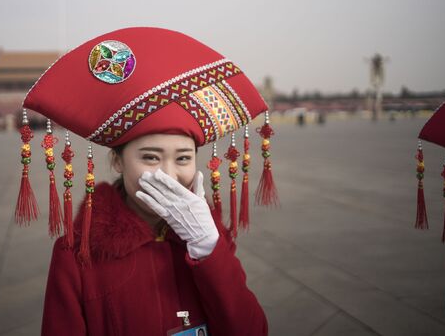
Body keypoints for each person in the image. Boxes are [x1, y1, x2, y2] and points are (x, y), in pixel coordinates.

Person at [19, 27, 271, 335]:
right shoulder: (77, 255)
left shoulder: (211, 237)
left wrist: (209, 249)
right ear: (117, 161)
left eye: (182, 158)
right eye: (150, 158)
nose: (168, 174)